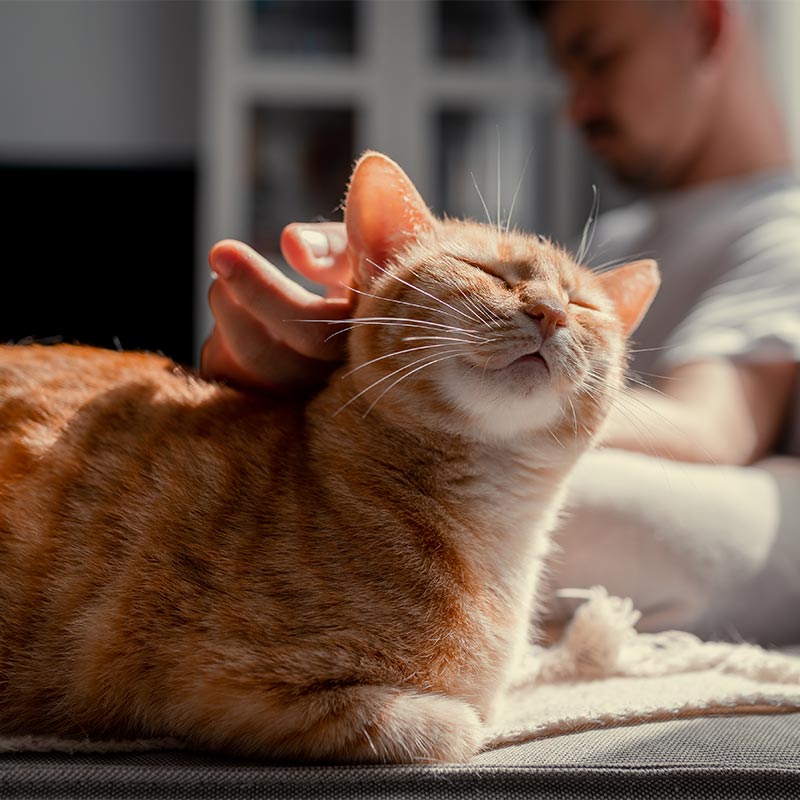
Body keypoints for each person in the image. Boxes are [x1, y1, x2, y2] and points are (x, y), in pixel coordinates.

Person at [201, 0, 800, 645]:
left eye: (599, 59)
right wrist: (384, 343)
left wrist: (399, 385)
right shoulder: (617, 238)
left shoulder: (782, 230)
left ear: (706, 25)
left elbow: (715, 430)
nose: (576, 108)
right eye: (567, 80)